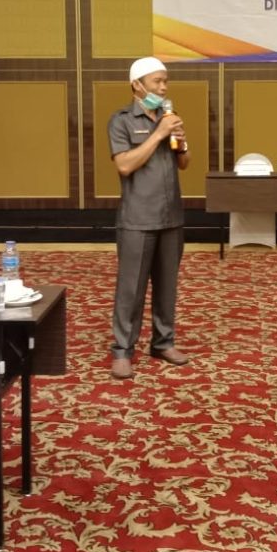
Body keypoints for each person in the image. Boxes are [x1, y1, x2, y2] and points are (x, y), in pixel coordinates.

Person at [107, 57, 191, 379]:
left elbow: (184, 163)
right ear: (137, 85)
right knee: (131, 288)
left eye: (165, 81)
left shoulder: (170, 117)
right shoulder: (122, 121)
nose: (164, 87)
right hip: (138, 219)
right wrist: (158, 135)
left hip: (171, 217)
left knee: (167, 286)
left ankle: (163, 342)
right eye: (157, 81)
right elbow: (124, 165)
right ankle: (122, 350)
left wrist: (180, 141)